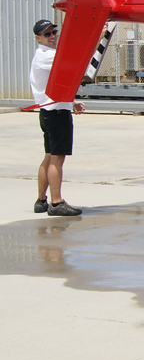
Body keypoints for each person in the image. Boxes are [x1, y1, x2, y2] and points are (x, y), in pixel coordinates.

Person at [29, 19, 84, 216]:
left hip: (49, 111)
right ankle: (56, 202)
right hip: (56, 114)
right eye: (47, 34)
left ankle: (41, 200)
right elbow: (76, 61)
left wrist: (72, 102)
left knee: (49, 156)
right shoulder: (47, 56)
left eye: (54, 32)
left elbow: (57, 83)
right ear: (38, 38)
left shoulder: (44, 55)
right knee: (57, 159)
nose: (52, 36)